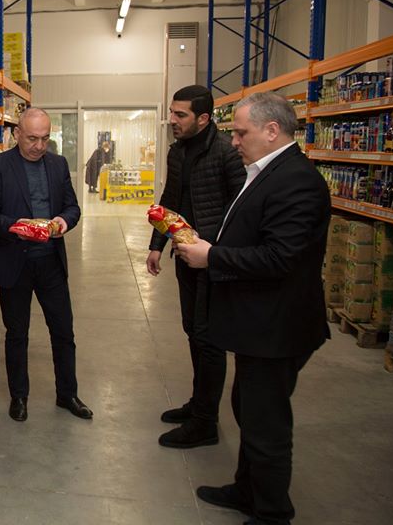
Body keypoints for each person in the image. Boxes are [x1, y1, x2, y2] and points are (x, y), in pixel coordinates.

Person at [175, 92, 331, 525]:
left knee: (266, 425)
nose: (235, 141)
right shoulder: (266, 172)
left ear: (272, 130)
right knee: (247, 407)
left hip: (276, 328)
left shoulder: (296, 181)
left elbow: (280, 257)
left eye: (242, 133)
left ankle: (272, 514)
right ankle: (248, 490)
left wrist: (212, 256)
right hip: (257, 325)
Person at [146, 85, 245, 449]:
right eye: (172, 112)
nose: (172, 119)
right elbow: (170, 201)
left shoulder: (226, 154)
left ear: (203, 118)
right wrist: (157, 245)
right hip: (186, 255)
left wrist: (215, 251)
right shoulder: (178, 151)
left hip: (214, 260)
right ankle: (199, 403)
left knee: (209, 338)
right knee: (193, 331)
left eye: (180, 114)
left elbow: (241, 210)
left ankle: (205, 422)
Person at [0, 107, 90, 422]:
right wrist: (16, 226)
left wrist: (63, 222)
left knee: (63, 331)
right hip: (15, 262)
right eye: (32, 139)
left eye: (45, 138)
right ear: (16, 134)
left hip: (50, 262)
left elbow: (72, 207)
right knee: (17, 333)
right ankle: (19, 397)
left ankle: (67, 394)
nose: (39, 146)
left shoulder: (58, 164)